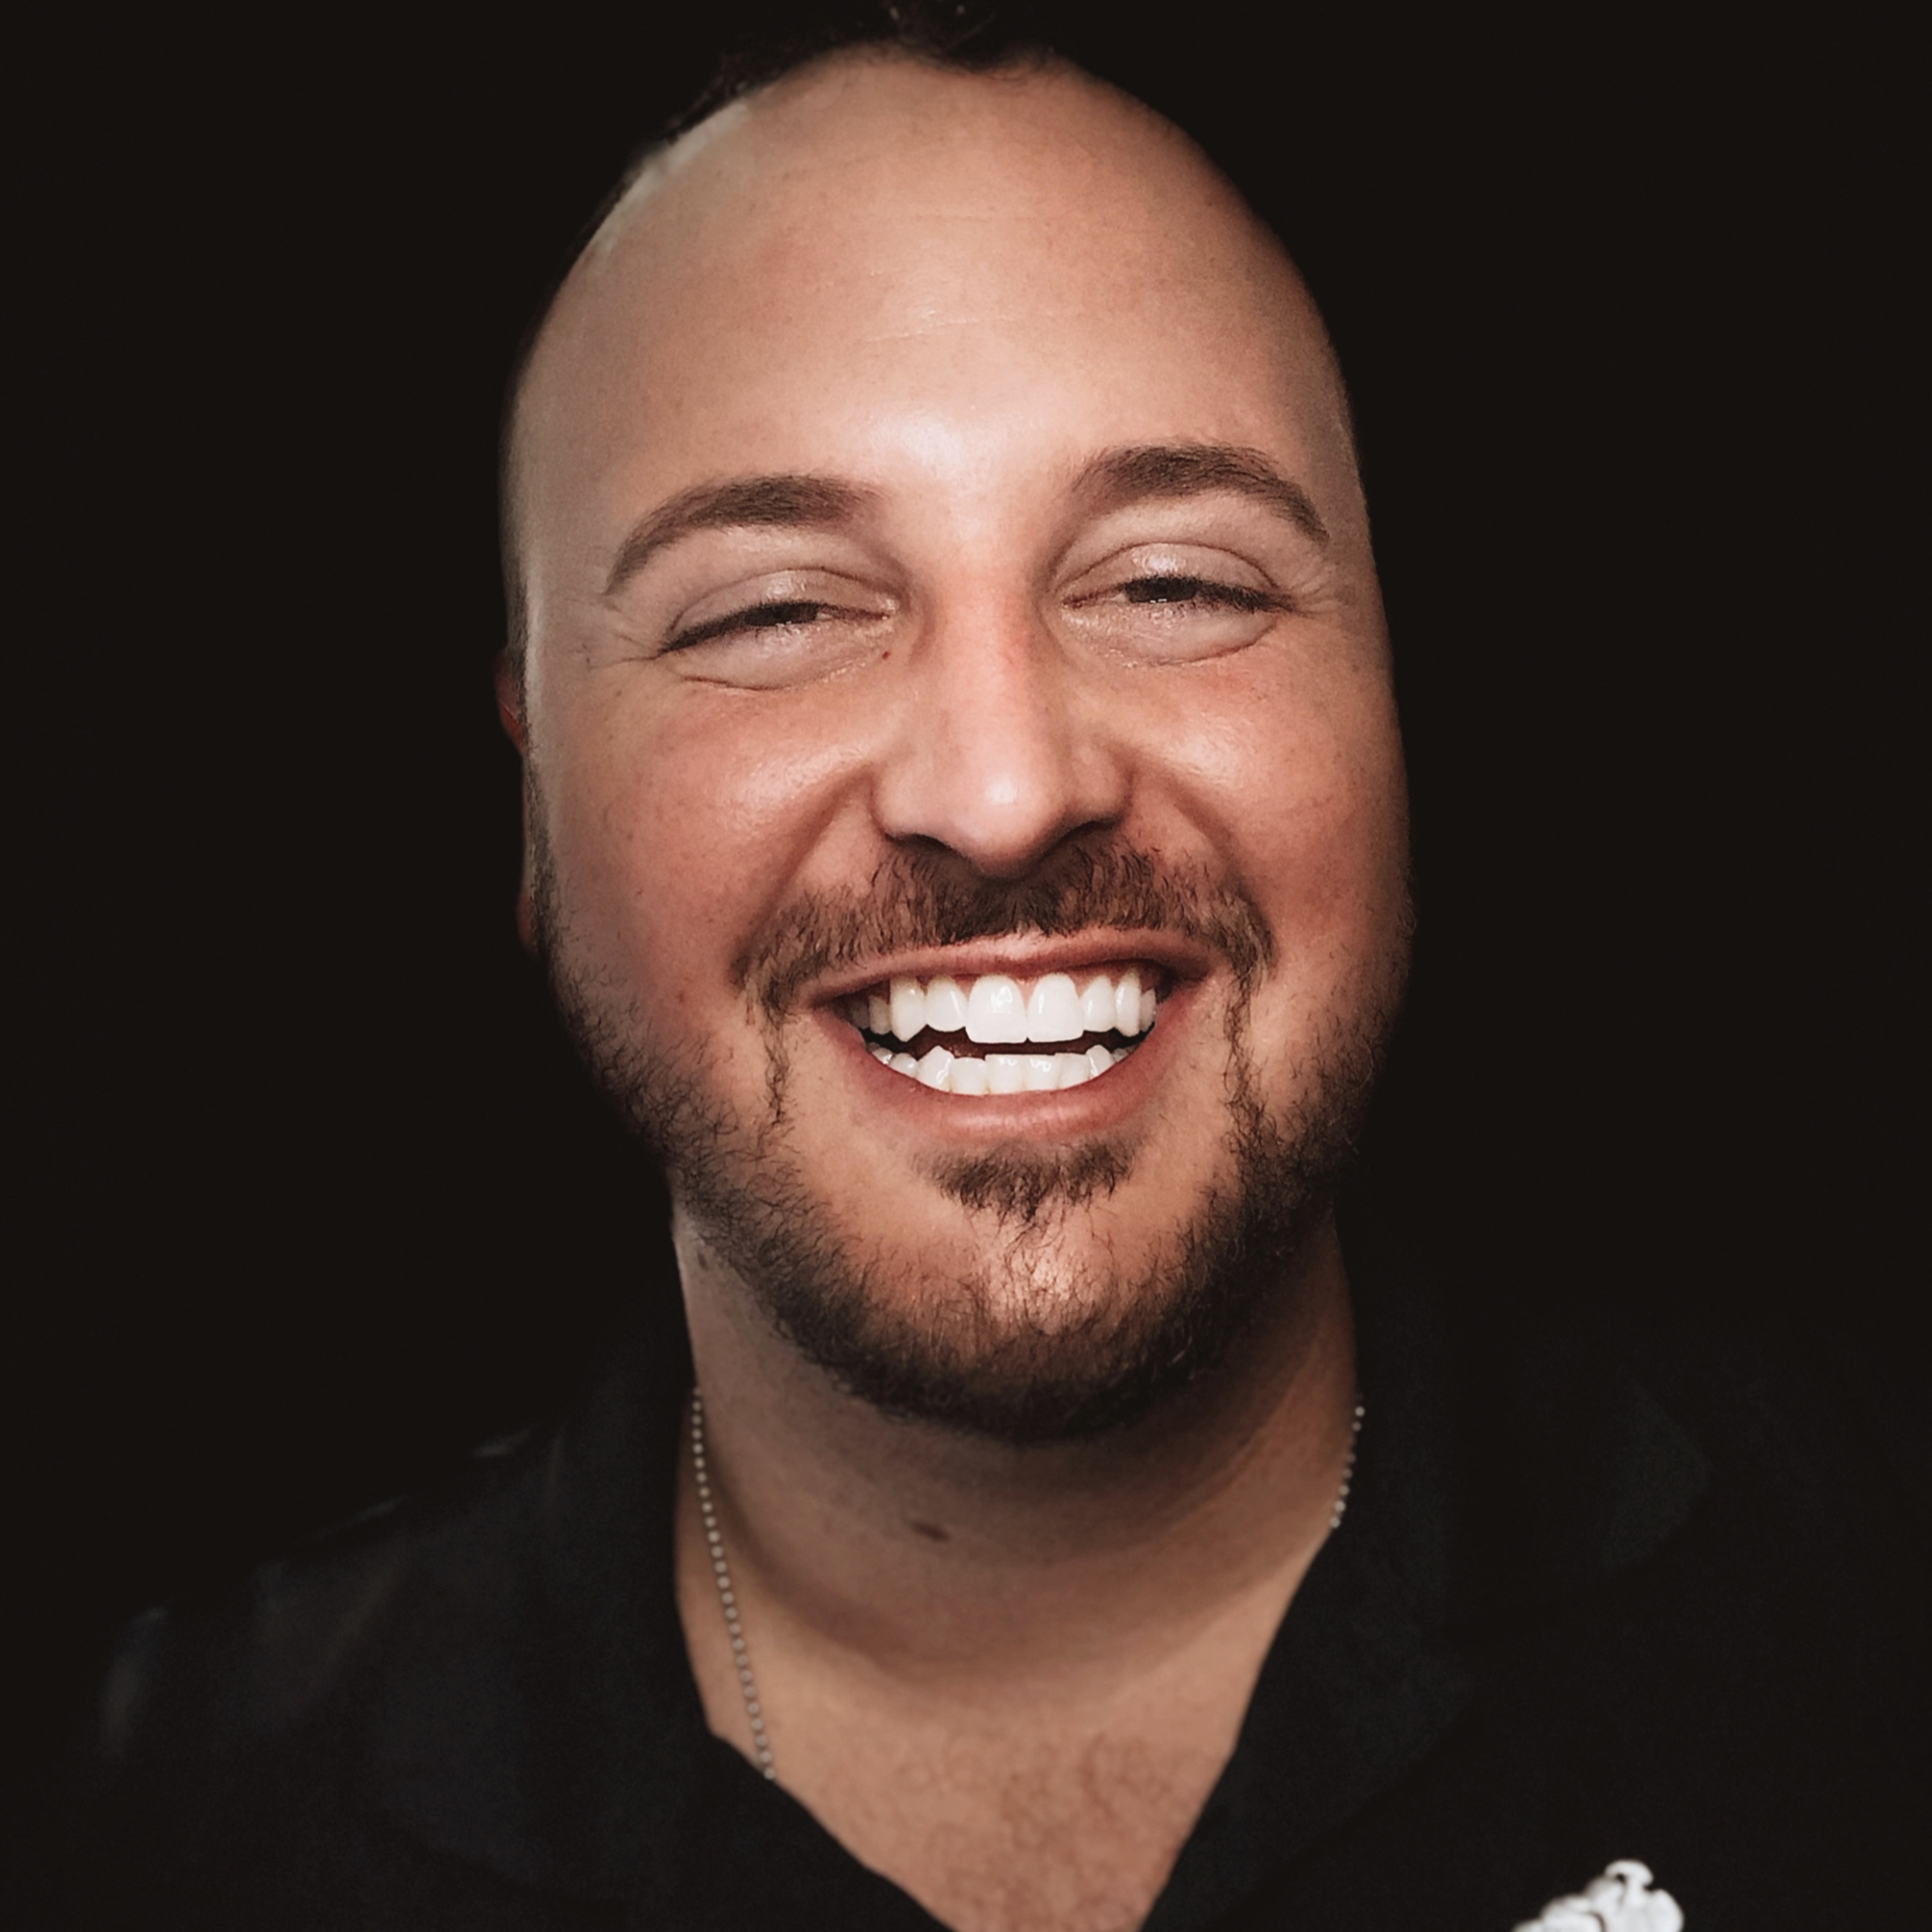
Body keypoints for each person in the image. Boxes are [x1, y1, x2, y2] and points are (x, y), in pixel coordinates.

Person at [68, 18, 1918, 1931]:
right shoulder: (157, 1833)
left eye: (1177, 583)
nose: (1008, 790)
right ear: (532, 808)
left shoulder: (1868, 1605)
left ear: (1396, 710)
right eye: (775, 610)